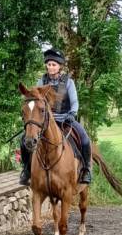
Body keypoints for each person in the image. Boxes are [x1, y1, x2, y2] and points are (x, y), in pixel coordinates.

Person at [19, 47, 92, 185]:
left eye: (54, 64)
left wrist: (72, 113)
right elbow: (36, 101)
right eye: (49, 64)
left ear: (59, 66)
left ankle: (86, 170)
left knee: (84, 138)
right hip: (46, 120)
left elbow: (75, 102)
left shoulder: (68, 82)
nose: (51, 67)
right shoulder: (42, 81)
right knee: (23, 139)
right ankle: (27, 170)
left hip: (65, 118)